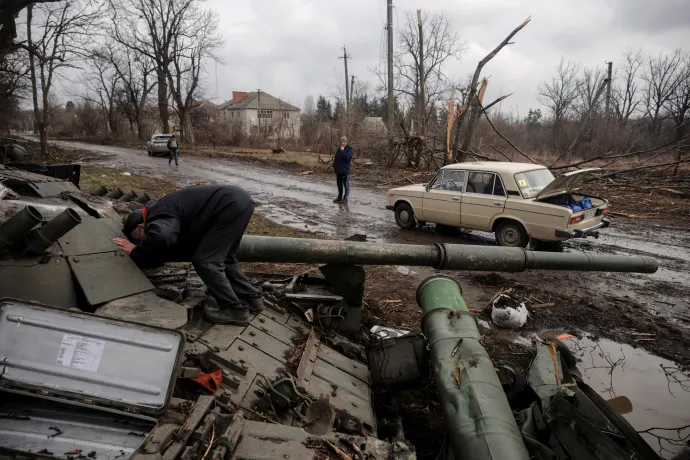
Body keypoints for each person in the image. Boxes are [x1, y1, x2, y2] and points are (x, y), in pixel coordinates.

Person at [114, 185, 263, 326]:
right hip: (237, 201)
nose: (143, 241)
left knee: (205, 261)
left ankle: (234, 311)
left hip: (228, 205)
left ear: (141, 226)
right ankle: (251, 298)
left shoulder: (158, 215)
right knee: (226, 258)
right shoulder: (162, 206)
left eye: (140, 238)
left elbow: (161, 237)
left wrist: (135, 252)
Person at [333, 136, 353, 203]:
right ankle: (339, 197)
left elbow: (347, 158)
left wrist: (342, 151)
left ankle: (345, 198)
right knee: (339, 184)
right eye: (342, 142)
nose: (343, 143)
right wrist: (334, 166)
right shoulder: (339, 149)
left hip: (344, 170)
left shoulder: (349, 149)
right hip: (338, 170)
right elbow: (336, 158)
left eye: (344, 142)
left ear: (346, 142)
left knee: (345, 185)